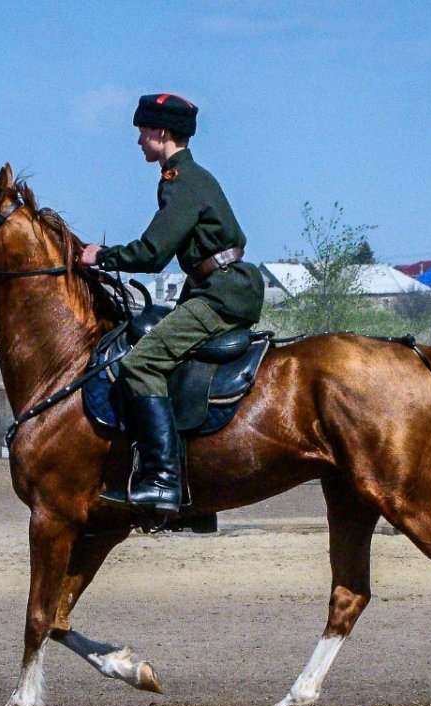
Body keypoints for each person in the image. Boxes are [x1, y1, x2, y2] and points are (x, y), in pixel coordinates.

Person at [80, 93, 265, 514]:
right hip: (216, 288)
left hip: (221, 293)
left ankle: (163, 479)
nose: (139, 141)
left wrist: (101, 257)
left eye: (142, 132)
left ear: (161, 132)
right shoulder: (190, 177)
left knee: (141, 363)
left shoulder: (180, 180)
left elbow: (152, 252)